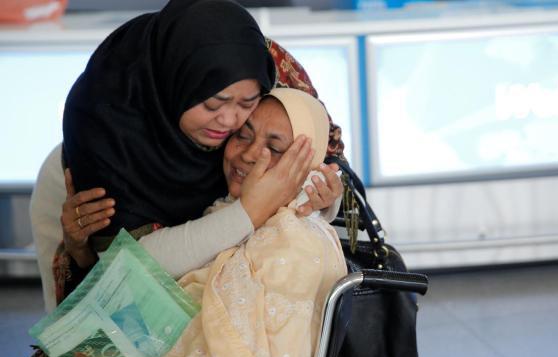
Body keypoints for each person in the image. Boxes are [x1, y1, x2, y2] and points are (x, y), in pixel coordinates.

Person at [37, 0, 344, 307]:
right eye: (212, 104)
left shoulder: (258, 60)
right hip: (93, 199)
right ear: (176, 82)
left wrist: (323, 196)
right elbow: (130, 264)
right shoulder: (104, 129)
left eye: (248, 105)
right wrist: (249, 211)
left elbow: (316, 148)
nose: (229, 122)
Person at [164, 88, 347, 357]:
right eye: (243, 135)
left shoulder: (293, 244)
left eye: (273, 148)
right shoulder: (222, 209)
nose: (249, 154)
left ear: (308, 166)